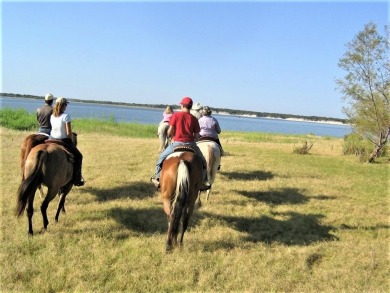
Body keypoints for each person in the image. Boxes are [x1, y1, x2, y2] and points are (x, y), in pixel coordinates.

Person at [151, 97, 211, 190]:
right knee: (203, 162)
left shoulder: (175, 116)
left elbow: (170, 131)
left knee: (161, 157)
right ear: (190, 107)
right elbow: (196, 136)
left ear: (182, 105)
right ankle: (203, 181)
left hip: (177, 143)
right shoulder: (194, 119)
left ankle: (157, 177)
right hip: (191, 144)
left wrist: (170, 135)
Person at [50, 97, 85, 186]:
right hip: (63, 140)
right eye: (66, 104)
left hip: (51, 139)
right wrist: (70, 139)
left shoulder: (52, 116)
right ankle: (77, 179)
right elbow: (69, 133)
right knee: (79, 156)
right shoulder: (66, 116)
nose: (66, 106)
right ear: (63, 105)